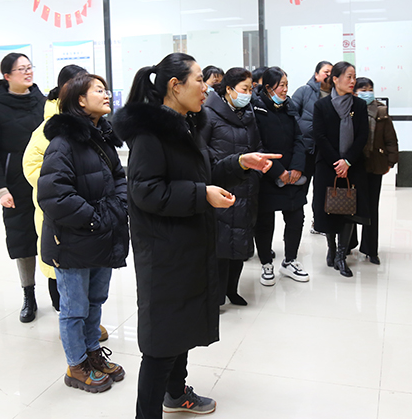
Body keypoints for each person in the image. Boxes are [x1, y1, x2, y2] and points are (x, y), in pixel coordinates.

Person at [113, 53, 278, 419]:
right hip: (165, 251)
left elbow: (201, 174)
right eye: (200, 79)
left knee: (181, 327)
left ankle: (176, 393)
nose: (207, 87)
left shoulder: (186, 125)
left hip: (188, 243)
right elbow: (146, 192)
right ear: (176, 86)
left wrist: (239, 163)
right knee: (161, 341)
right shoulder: (151, 134)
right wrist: (202, 195)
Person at [37, 73, 129, 393]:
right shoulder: (63, 143)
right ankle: (76, 366)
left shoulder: (102, 137)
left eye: (106, 90)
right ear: (80, 100)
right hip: (74, 240)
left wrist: (117, 209)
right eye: (99, 90)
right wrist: (95, 218)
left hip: (101, 235)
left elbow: (119, 177)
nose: (107, 95)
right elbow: (53, 196)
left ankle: (92, 354)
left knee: (95, 302)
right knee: (74, 308)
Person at [0, 52, 46, 322]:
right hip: (16, 185)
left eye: (30, 67)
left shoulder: (43, 102)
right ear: (7, 76)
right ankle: (29, 295)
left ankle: (58, 292)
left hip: (46, 179)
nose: (28, 72)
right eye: (22, 69)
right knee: (22, 239)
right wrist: (1, 189)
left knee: (52, 235)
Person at [23, 64, 85, 313]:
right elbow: (31, 166)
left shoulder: (84, 121)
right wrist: (63, 187)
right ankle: (67, 319)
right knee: (59, 265)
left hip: (82, 209)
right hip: (58, 209)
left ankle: (80, 319)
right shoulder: (49, 127)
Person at [200, 67, 262, 306]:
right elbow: (202, 150)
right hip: (222, 184)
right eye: (244, 89)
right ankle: (215, 297)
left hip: (247, 184)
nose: (248, 94)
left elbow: (257, 144)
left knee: (241, 240)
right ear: (229, 89)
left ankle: (232, 290)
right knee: (221, 244)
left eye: (250, 89)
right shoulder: (209, 114)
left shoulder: (248, 113)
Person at [251, 66, 310, 286]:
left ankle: (290, 261)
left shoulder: (289, 106)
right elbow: (258, 144)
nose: (285, 89)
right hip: (268, 174)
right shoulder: (256, 110)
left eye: (286, 85)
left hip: (292, 174)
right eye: (281, 85)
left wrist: (296, 169)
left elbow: (298, 138)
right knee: (264, 222)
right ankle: (266, 263)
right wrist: (279, 172)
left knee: (296, 217)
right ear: (268, 88)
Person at [312, 61, 370, 277]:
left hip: (352, 166)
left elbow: (363, 135)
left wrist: (347, 161)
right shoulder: (321, 105)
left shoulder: (359, 105)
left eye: (354, 76)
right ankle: (331, 247)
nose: (353, 81)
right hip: (328, 166)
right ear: (335, 79)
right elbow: (319, 136)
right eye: (349, 76)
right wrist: (337, 161)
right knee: (329, 208)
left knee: (349, 209)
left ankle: (341, 255)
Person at [349, 77, 399, 265]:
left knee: (371, 207)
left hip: (374, 165)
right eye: (363, 90)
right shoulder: (349, 109)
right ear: (355, 92)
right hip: (353, 165)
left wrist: (390, 162)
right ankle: (348, 244)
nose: (367, 93)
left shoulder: (381, 111)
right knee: (350, 205)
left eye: (370, 89)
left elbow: (391, 139)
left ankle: (370, 249)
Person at [290, 61, 333, 233]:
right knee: (301, 188)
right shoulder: (304, 91)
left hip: (325, 151)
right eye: (325, 71)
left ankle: (318, 223)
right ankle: (296, 224)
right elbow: (292, 115)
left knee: (322, 190)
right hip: (306, 149)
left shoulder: (336, 94)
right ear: (316, 74)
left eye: (331, 72)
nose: (328, 75)